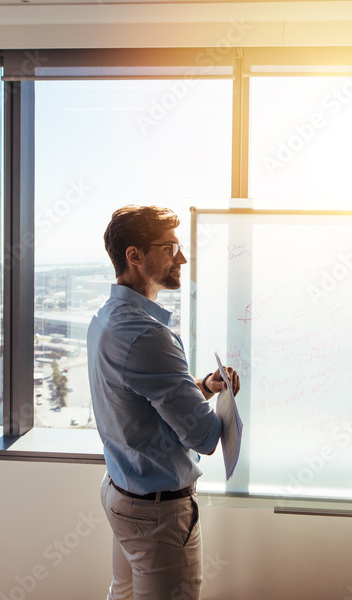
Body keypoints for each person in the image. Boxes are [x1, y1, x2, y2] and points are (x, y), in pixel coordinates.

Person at [88, 205, 240, 600]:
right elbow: (203, 436)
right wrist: (226, 408)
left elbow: (148, 397)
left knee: (121, 594)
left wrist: (204, 386)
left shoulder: (106, 318)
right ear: (134, 256)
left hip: (123, 493)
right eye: (171, 247)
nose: (183, 258)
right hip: (157, 515)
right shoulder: (147, 335)